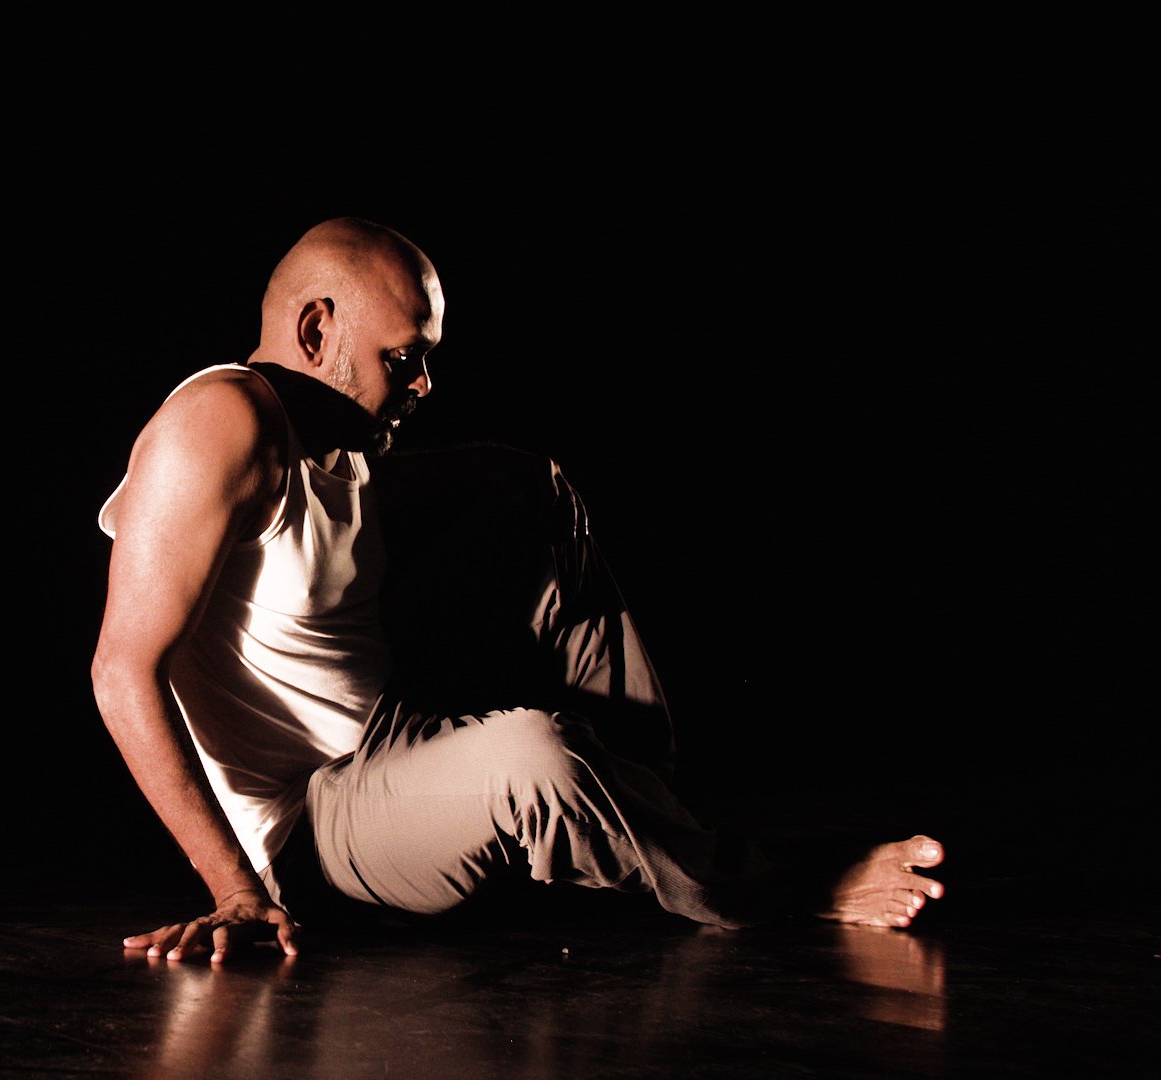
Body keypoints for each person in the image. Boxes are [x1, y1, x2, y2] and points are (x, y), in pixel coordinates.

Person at [89, 217, 945, 963]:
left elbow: (457, 500)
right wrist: (238, 891)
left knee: (528, 489)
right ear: (316, 329)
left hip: (389, 741)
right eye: (403, 359)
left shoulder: (330, 440)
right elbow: (122, 671)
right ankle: (793, 886)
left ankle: (652, 803)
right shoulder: (217, 425)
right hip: (315, 828)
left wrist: (517, 483)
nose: (422, 386)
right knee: (531, 756)